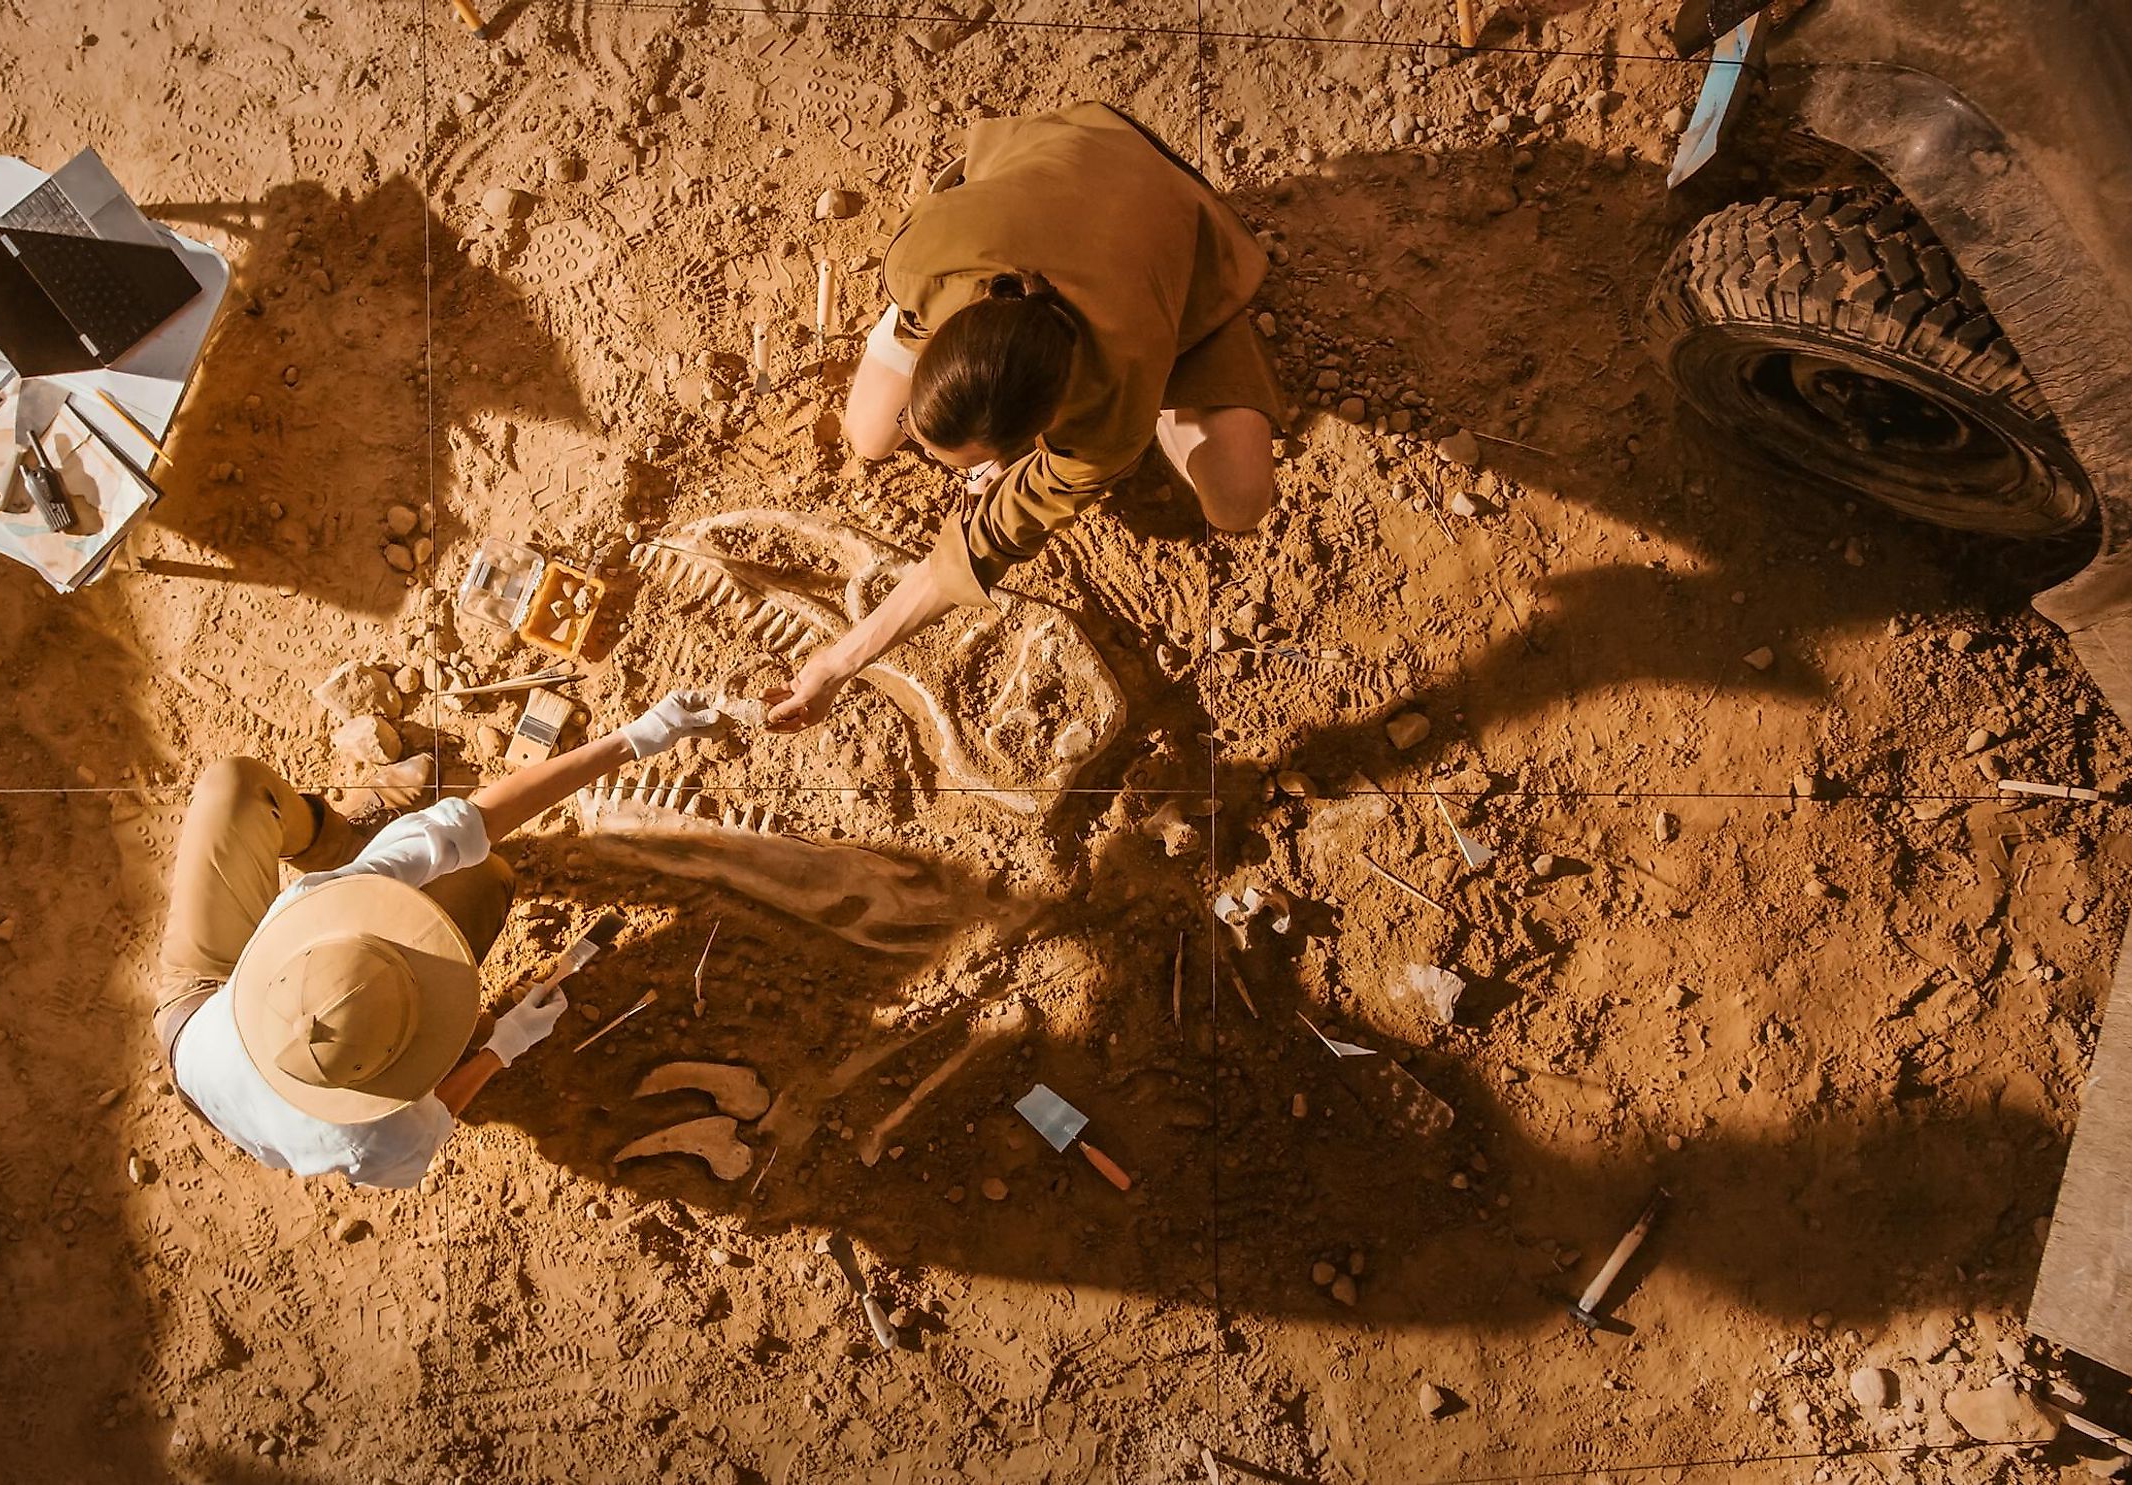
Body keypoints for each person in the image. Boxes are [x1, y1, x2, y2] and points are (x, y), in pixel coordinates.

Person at [770, 101, 1283, 729]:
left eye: (983, 462)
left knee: (1237, 502)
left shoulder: (1108, 419)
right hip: (1073, 149)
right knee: (870, 434)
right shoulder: (920, 264)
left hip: (1181, 228)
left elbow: (987, 544)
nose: (956, 475)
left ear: (1046, 429)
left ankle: (1181, 348)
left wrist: (841, 661)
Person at [151, 690, 725, 1188]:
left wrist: (638, 737)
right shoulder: (371, 1138)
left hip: (196, 1006)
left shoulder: (309, 909)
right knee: (480, 884)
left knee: (236, 787)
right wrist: (503, 1046)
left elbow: (477, 819)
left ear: (311, 945)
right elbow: (435, 1122)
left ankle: (334, 839)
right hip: (227, 1083)